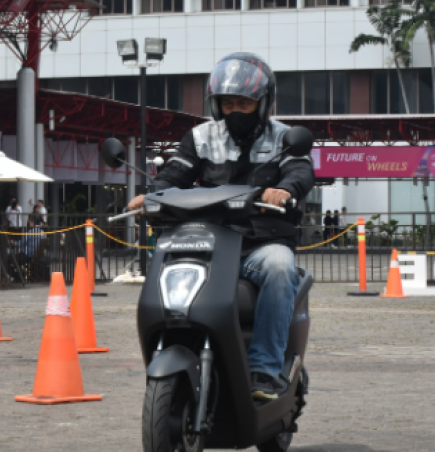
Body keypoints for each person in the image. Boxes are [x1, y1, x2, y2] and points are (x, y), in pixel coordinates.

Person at [128, 53, 314, 401]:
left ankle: (264, 368)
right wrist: (151, 195)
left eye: (244, 102)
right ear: (216, 105)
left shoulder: (284, 137)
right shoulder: (200, 137)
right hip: (210, 241)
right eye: (228, 103)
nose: (235, 110)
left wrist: (285, 189)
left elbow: (300, 171)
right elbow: (174, 174)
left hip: (261, 243)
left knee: (279, 268)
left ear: (262, 104)